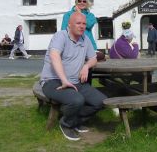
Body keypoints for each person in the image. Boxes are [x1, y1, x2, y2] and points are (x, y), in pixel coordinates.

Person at [40, 12, 107, 141]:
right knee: (77, 100)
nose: (82, 26)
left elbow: (93, 58)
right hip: (53, 81)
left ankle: (74, 120)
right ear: (69, 24)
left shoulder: (85, 39)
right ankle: (66, 125)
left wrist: (86, 66)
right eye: (78, 23)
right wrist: (64, 80)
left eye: (84, 24)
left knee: (100, 101)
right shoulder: (60, 36)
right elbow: (54, 56)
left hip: (75, 81)